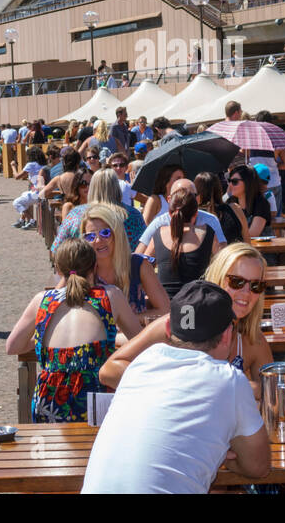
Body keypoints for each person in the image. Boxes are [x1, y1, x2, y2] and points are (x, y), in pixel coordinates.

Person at [81, 281, 270, 493]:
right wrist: (219, 453)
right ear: (227, 334)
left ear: (169, 328)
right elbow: (258, 466)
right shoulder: (229, 380)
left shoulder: (141, 364)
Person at [100, 244, 274, 397]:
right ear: (218, 278)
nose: (246, 292)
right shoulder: (180, 324)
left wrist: (251, 389)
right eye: (237, 282)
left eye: (256, 286)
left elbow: (272, 394)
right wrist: (179, 386)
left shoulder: (251, 339)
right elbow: (110, 370)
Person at [4, 239, 141, 422]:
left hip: (49, 402)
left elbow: (12, 347)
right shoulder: (110, 296)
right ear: (94, 266)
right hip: (94, 398)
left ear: (59, 270)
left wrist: (41, 340)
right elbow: (140, 342)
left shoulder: (42, 300)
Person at [145, 188, 218, 298]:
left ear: (170, 213)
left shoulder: (159, 233)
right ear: (196, 214)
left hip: (165, 305)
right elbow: (224, 263)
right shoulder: (207, 232)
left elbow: (144, 266)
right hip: (198, 303)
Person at [195, 171, 247, 246]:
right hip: (237, 255)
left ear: (197, 191)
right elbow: (247, 241)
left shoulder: (195, 216)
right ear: (219, 188)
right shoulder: (235, 208)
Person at [225, 163, 272, 238]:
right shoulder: (230, 203)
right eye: (229, 181)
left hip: (257, 248)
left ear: (247, 183)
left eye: (234, 182)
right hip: (236, 247)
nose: (230, 185)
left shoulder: (261, 203)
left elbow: (252, 234)